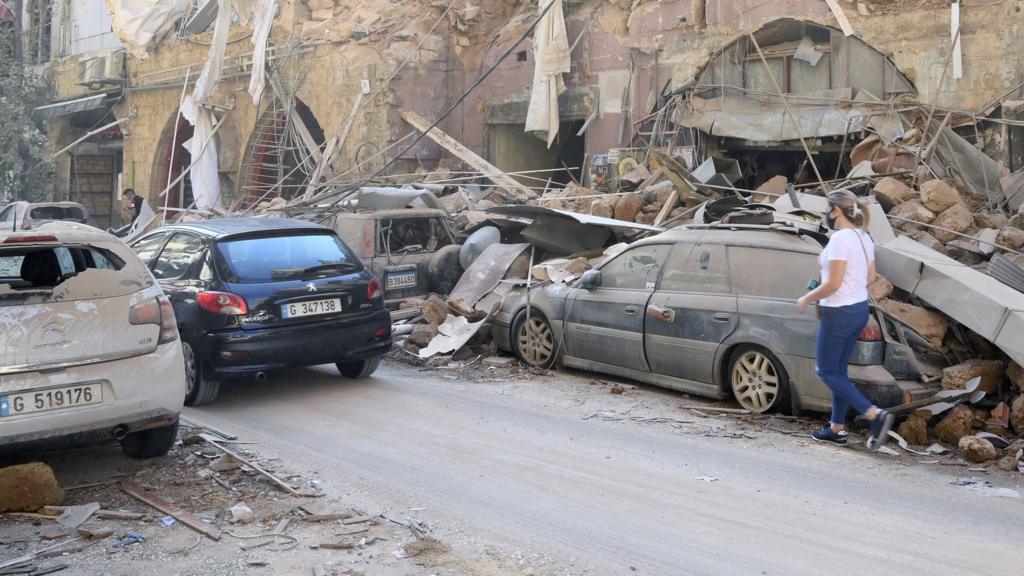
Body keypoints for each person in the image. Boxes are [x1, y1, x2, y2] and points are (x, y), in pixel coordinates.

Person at [796, 189, 894, 450]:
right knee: (838, 372)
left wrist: (807, 298)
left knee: (826, 371)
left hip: (839, 312)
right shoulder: (863, 237)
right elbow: (870, 277)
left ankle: (875, 414)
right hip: (859, 309)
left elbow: (834, 284)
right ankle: (836, 428)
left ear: (836, 211)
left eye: (826, 209)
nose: (825, 214)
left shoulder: (840, 239)